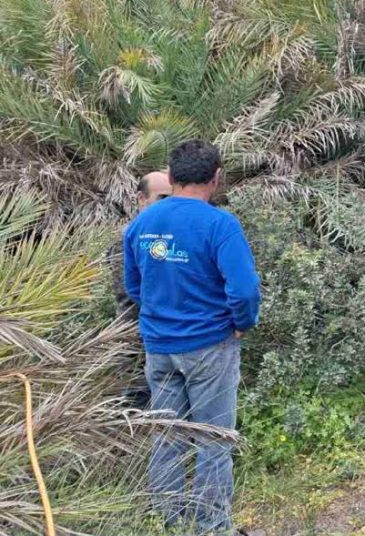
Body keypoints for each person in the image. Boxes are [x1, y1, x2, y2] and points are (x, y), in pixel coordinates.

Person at [124, 140, 262, 536]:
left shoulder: (142, 224)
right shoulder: (220, 224)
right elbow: (244, 290)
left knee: (167, 435)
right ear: (216, 178)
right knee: (213, 439)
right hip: (210, 347)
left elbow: (134, 286)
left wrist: (165, 312)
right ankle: (212, 526)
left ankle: (164, 520)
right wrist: (242, 322)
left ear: (170, 176)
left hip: (159, 348)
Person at [106, 170, 174, 407]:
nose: (168, 205)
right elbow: (127, 291)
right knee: (136, 404)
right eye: (162, 198)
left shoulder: (174, 234)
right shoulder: (126, 237)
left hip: (169, 336)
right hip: (135, 337)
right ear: (141, 199)